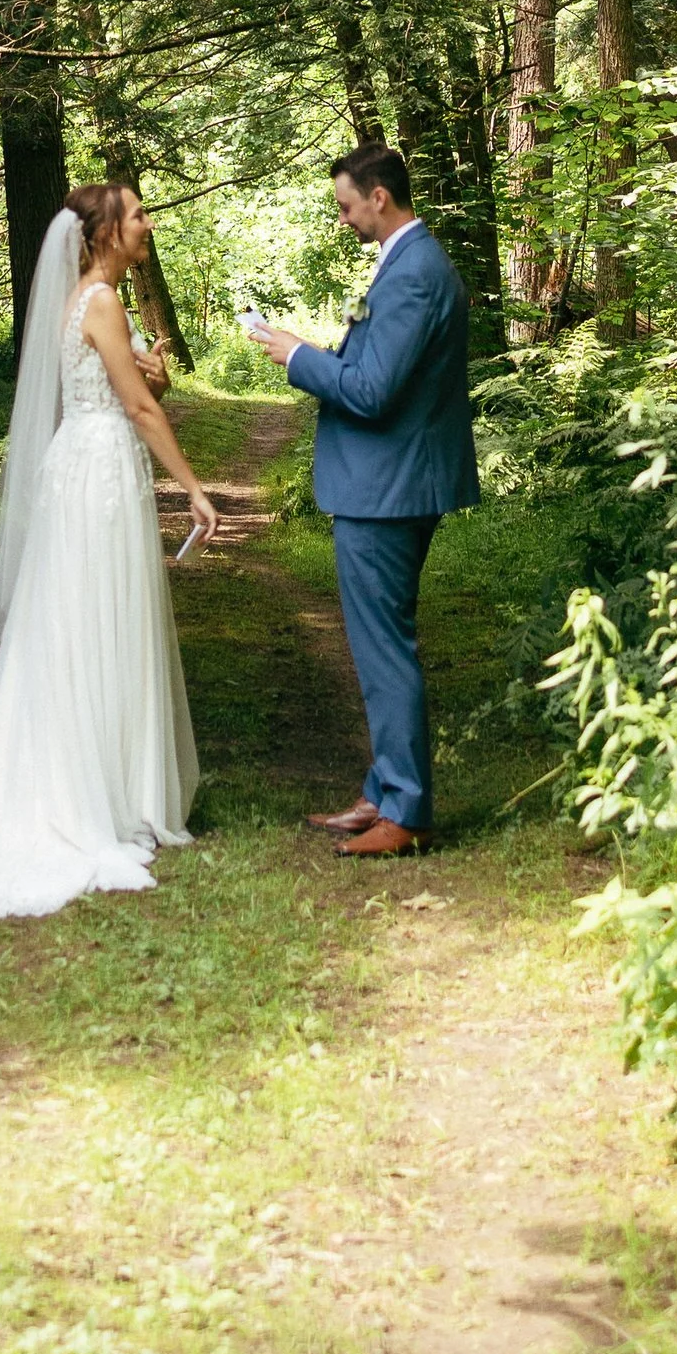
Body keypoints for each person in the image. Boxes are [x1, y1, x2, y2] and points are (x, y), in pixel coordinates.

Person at [0, 182, 221, 917]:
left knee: (82, 623)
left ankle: (101, 785)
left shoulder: (85, 299)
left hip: (84, 464)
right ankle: (96, 799)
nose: (147, 223)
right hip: (99, 472)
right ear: (105, 232)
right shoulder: (102, 302)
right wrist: (195, 487)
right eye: (136, 214)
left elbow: (138, 394)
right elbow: (132, 410)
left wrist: (159, 377)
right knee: (98, 623)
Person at [245, 143, 478, 858]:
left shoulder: (414, 273)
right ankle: (384, 789)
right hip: (392, 480)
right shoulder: (407, 264)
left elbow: (374, 394)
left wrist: (297, 355)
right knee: (382, 644)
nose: (344, 219)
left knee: (385, 650)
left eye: (347, 205)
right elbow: (379, 370)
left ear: (380, 196)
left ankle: (405, 811)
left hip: (391, 487)